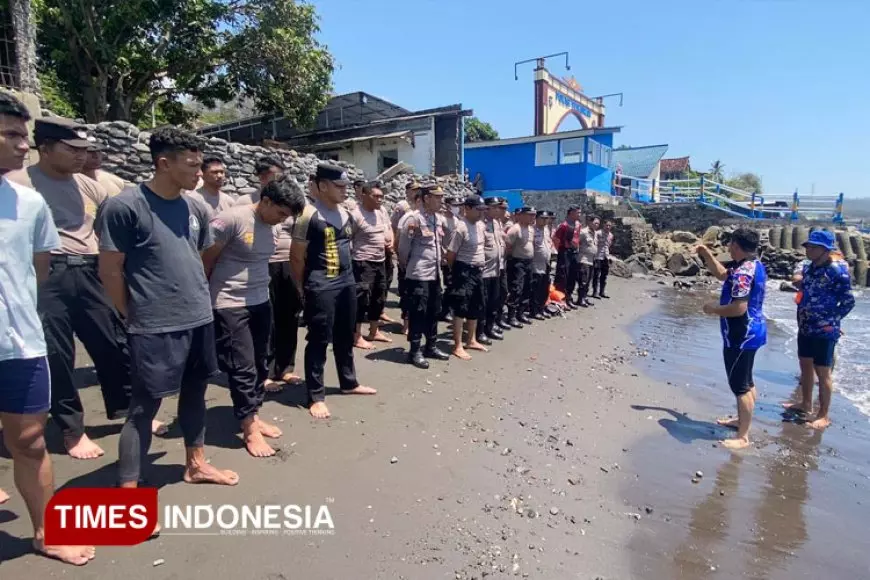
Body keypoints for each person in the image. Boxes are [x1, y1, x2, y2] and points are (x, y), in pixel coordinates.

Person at [97, 126, 239, 487]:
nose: (199, 173)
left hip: (198, 317)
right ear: (163, 163)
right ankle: (129, 488)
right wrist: (131, 312)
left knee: (195, 392)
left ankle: (196, 464)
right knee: (144, 407)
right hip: (153, 325)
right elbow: (110, 270)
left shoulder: (195, 207)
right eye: (191, 165)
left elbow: (198, 256)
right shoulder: (124, 207)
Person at [0, 92, 96, 566]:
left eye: (25, 135)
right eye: (12, 134)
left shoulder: (29, 202)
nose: (24, 144)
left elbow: (37, 271)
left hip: (18, 343)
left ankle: (45, 532)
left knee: (30, 441)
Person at [8, 117, 132, 460]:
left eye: (84, 149)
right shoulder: (19, 184)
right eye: (72, 149)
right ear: (45, 149)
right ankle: (72, 431)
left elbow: (116, 219)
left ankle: (127, 411)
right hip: (47, 275)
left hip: (90, 271)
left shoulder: (90, 185)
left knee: (114, 342)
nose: (82, 156)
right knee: (58, 354)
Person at [201, 177, 306, 457]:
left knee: (261, 362)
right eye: (281, 213)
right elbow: (205, 260)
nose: (283, 220)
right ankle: (248, 428)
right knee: (243, 366)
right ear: (266, 201)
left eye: (287, 216)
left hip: (260, 300)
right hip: (229, 303)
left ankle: (254, 414)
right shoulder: (231, 220)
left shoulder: (274, 224)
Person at [289, 164, 376, 420]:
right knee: (319, 339)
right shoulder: (307, 215)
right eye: (339, 186)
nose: (344, 191)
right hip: (321, 284)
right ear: (323, 186)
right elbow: (296, 257)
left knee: (345, 335)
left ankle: (348, 382)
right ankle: (315, 396)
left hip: (347, 282)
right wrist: (303, 288)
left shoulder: (346, 213)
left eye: (346, 186)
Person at [695, 228, 767, 450]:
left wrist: (713, 309)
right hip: (753, 332)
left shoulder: (743, 272)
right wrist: (706, 254)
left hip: (741, 335)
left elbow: (738, 308)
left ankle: (743, 436)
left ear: (736, 245)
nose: (728, 248)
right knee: (747, 380)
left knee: (740, 385)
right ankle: (742, 420)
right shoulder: (753, 265)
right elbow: (722, 274)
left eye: (730, 244)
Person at [783, 230, 855, 430]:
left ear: (825, 250)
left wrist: (832, 321)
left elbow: (848, 301)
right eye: (808, 246)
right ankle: (805, 404)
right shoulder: (809, 268)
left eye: (813, 247)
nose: (808, 250)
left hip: (824, 330)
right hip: (805, 325)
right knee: (805, 365)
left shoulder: (837, 272)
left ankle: (823, 415)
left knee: (823, 372)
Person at [397, 185, 451, 369]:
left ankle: (431, 346)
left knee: (434, 311)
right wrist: (407, 267)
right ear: (426, 198)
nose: (441, 200)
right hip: (418, 274)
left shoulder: (438, 219)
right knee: (418, 313)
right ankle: (414, 351)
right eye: (437, 197)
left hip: (434, 273)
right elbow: (403, 249)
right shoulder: (413, 219)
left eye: (442, 197)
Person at [445, 194, 489, 359]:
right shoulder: (461, 228)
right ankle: (457, 345)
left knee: (476, 305)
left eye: (483, 210)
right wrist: (456, 271)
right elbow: (450, 254)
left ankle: (471, 340)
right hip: (464, 270)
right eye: (478, 210)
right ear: (467, 209)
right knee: (460, 308)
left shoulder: (480, 225)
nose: (481, 213)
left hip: (478, 271)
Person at [350, 182, 393, 349]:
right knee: (361, 299)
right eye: (376, 196)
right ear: (364, 196)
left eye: (381, 196)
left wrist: (390, 241)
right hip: (362, 262)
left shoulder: (380, 212)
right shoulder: (356, 215)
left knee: (379, 296)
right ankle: (356, 336)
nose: (380, 199)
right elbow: (348, 239)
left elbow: (387, 229)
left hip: (380, 260)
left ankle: (374, 331)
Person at [392, 181, 421, 333]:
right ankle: (406, 324)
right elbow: (396, 231)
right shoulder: (404, 209)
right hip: (407, 259)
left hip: (420, 263)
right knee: (407, 293)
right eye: (414, 190)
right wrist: (400, 257)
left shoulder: (426, 216)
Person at [479, 197, 507, 342]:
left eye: (498, 207)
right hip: (484, 271)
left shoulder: (496, 223)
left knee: (494, 301)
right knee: (482, 303)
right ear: (486, 208)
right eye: (494, 207)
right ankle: (480, 331)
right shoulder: (480, 224)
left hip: (496, 269)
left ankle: (490, 327)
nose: (498, 210)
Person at [504, 207, 537, 327]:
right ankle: (511, 316)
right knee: (516, 288)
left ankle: (521, 313)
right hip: (517, 262)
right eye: (530, 215)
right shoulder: (515, 229)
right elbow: (507, 246)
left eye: (534, 215)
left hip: (529, 262)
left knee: (527, 287)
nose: (532, 217)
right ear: (521, 215)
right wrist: (512, 258)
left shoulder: (531, 229)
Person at [439, 196, 462, 322]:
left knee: (455, 284)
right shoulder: (442, 220)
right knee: (449, 284)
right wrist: (443, 255)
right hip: (446, 258)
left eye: (458, 205)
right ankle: (444, 311)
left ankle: (451, 309)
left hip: (456, 257)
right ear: (447, 206)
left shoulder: (456, 220)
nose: (457, 208)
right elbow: (439, 239)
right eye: (455, 205)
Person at [553, 207, 582, 309]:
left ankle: (568, 297)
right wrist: (560, 251)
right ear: (571, 213)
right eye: (577, 212)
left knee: (572, 275)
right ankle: (559, 299)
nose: (579, 214)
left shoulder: (578, 225)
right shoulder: (564, 225)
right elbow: (556, 239)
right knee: (562, 275)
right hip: (564, 251)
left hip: (574, 252)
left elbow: (577, 238)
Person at [530, 210, 555, 319]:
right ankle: (534, 311)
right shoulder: (532, 230)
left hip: (546, 263)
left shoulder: (546, 229)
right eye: (543, 218)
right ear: (536, 218)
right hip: (536, 263)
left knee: (545, 288)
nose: (545, 221)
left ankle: (541, 308)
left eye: (546, 218)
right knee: (536, 288)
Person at [576, 215, 599, 307]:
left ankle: (585, 297)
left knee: (589, 280)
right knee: (583, 280)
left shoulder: (595, 233)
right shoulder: (583, 232)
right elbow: (577, 243)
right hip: (584, 259)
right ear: (590, 222)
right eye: (595, 223)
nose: (597, 225)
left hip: (592, 260)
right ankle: (580, 299)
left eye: (598, 224)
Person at [591, 220, 614, 299]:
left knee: (604, 275)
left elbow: (608, 245)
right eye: (606, 225)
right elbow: (594, 244)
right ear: (603, 225)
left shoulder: (611, 235)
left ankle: (602, 292)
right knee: (596, 275)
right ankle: (595, 292)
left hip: (606, 257)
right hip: (598, 256)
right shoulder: (598, 233)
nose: (608, 227)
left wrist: (609, 257)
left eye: (609, 225)